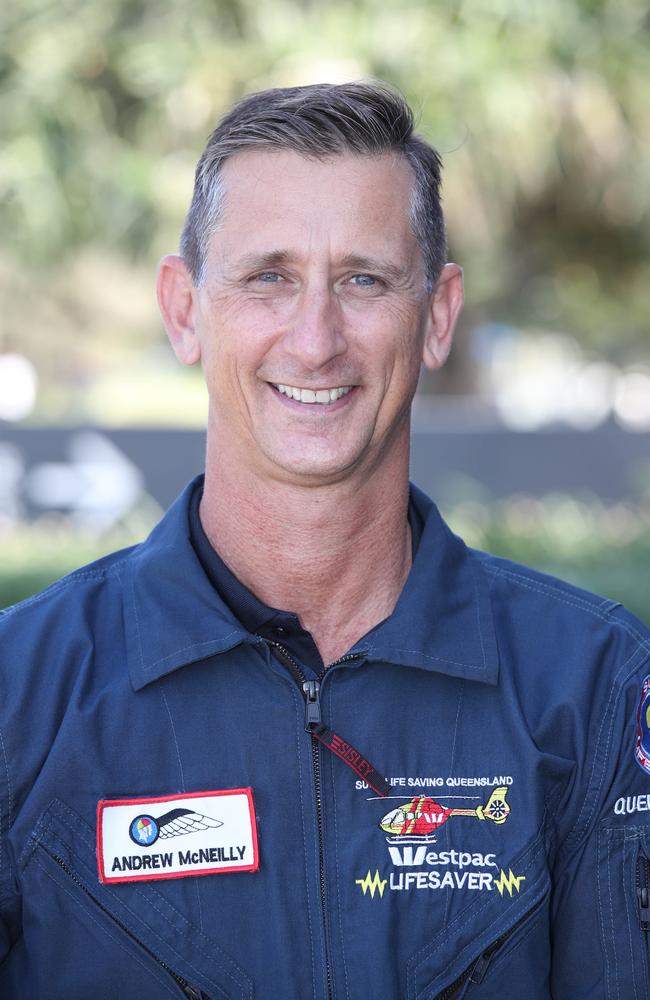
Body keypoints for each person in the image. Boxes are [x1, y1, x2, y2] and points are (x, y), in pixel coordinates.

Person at [0, 81, 648, 1000]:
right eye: (268, 276)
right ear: (185, 310)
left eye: (363, 279)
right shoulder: (21, 695)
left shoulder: (593, 687)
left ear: (437, 315)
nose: (315, 340)